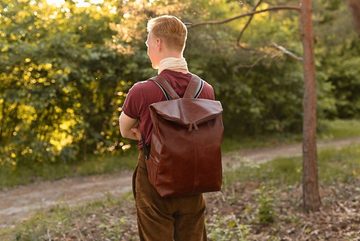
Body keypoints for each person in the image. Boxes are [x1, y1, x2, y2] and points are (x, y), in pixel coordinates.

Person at [119, 15, 216, 241]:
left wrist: (148, 134)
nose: (147, 48)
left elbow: (124, 129)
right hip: (194, 176)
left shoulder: (142, 91)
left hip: (155, 180)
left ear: (158, 43)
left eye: (148, 43)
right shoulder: (206, 90)